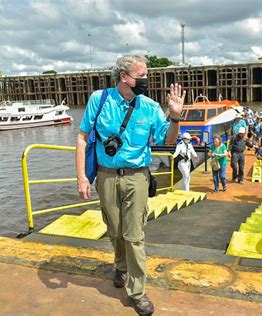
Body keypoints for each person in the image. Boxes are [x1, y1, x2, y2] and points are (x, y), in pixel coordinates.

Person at [75, 55, 185, 315]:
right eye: (142, 75)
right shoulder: (99, 100)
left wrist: (176, 118)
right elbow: (82, 138)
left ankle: (137, 291)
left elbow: (167, 141)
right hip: (106, 175)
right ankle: (120, 265)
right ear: (124, 77)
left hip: (137, 176)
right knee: (114, 229)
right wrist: (81, 176)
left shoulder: (148, 106)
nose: (146, 80)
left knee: (134, 234)